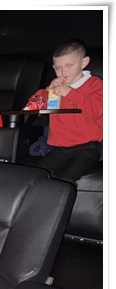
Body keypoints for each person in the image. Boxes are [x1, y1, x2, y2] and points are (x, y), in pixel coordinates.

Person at [27, 39, 102, 183]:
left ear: (84, 62)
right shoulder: (54, 88)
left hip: (87, 147)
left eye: (69, 66)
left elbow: (97, 111)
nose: (63, 72)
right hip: (58, 148)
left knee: (65, 180)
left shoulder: (94, 84)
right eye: (58, 68)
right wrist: (47, 91)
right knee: (36, 178)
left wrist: (70, 93)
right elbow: (31, 108)